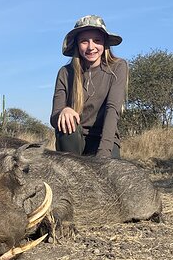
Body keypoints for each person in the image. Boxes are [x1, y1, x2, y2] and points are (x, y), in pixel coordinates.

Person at [50, 15, 128, 159]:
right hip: (74, 141)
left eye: (97, 40)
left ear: (104, 43)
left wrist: (103, 156)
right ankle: (68, 172)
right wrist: (64, 110)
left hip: (104, 140)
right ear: (77, 45)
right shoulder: (65, 72)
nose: (91, 47)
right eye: (84, 41)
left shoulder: (118, 67)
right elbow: (54, 118)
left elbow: (112, 110)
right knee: (67, 120)